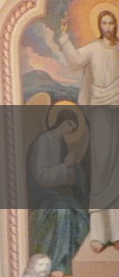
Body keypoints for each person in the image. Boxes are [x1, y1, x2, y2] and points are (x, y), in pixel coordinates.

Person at [58, 9, 119, 251]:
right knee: (102, 169)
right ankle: (100, 233)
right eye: (104, 23)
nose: (108, 27)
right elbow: (75, 61)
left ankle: (116, 232)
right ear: (99, 26)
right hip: (101, 111)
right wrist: (64, 37)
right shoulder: (93, 49)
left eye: (111, 23)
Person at [27, 108, 89, 277]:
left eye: (73, 128)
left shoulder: (62, 144)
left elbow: (68, 176)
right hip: (41, 193)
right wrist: (65, 167)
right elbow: (41, 175)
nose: (70, 130)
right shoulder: (43, 141)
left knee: (79, 212)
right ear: (59, 121)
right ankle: (55, 262)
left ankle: (70, 262)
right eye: (69, 124)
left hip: (56, 192)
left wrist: (72, 168)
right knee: (62, 210)